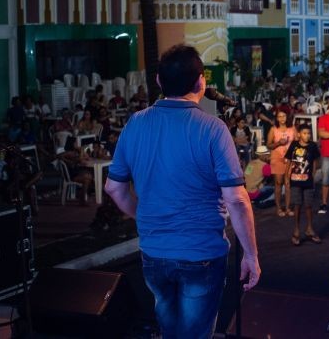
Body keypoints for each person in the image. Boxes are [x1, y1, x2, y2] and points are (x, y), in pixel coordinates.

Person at [105, 45, 260, 338]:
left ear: (160, 82)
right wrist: (250, 255)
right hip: (200, 253)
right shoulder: (213, 129)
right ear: (201, 82)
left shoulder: (136, 123)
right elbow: (237, 200)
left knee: (169, 329)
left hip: (153, 253)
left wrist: (146, 216)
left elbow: (114, 188)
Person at [284, 124, 321, 245]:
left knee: (309, 205)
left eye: (309, 133)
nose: (307, 135)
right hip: (295, 180)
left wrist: (313, 175)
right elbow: (289, 161)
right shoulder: (294, 145)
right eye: (304, 133)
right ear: (299, 134)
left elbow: (315, 162)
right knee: (297, 205)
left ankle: (310, 229)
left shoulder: (313, 146)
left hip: (308, 180)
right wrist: (286, 177)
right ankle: (296, 230)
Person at [267, 110, 296, 217]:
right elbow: (269, 145)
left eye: (284, 115)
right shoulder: (273, 129)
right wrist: (279, 143)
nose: (282, 118)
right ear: (277, 118)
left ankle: (288, 208)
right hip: (277, 157)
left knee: (288, 184)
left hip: (289, 158)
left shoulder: (292, 128)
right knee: (278, 183)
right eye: (279, 116)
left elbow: (297, 142)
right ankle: (279, 208)